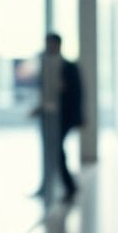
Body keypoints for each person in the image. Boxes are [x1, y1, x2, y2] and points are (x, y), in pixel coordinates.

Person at [35, 33, 82, 203]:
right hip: (47, 116)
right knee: (50, 150)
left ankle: (69, 186)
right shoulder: (44, 64)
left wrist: (78, 118)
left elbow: (77, 94)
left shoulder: (69, 67)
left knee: (57, 150)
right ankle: (48, 186)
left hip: (63, 117)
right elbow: (45, 92)